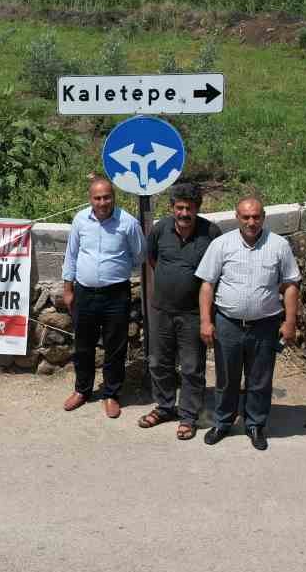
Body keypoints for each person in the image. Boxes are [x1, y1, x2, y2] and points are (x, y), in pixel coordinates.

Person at [195, 197, 300, 451]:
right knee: (227, 378)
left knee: (260, 379)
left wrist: (290, 321)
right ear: (237, 217)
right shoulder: (221, 245)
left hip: (265, 325)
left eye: (256, 217)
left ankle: (255, 424)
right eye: (246, 217)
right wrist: (206, 321)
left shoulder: (279, 245)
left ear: (263, 217)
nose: (251, 222)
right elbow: (207, 284)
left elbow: (290, 284)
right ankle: (223, 421)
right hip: (228, 323)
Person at [58, 177, 145, 420]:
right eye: (97, 198)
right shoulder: (80, 220)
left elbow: (139, 255)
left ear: (113, 197)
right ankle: (82, 390)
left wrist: (116, 269)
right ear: (90, 199)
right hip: (84, 293)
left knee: (115, 347)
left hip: (116, 294)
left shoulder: (128, 223)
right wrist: (68, 289)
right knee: (83, 346)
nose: (102, 202)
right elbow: (71, 255)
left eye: (107, 197)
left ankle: (111, 394)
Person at [140, 182, 218, 438]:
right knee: (159, 363)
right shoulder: (160, 229)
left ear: (198, 209)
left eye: (190, 209)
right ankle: (164, 407)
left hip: (194, 314)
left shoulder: (211, 233)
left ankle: (188, 416)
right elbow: (152, 260)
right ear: (172, 208)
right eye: (180, 208)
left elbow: (218, 271)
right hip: (161, 311)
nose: (184, 214)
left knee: (191, 367)